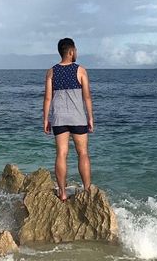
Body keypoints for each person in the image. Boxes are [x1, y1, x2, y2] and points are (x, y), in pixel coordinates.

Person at [43, 37, 94, 201]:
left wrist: (46, 119)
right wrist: (90, 118)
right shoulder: (81, 71)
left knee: (61, 154)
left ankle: (62, 193)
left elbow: (47, 99)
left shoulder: (51, 72)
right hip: (78, 117)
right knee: (83, 153)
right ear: (71, 52)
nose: (76, 53)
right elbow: (87, 97)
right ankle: (87, 190)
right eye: (76, 50)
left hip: (59, 118)